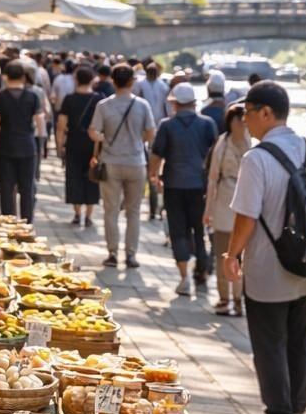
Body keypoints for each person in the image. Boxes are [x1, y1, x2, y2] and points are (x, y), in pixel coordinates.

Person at [222, 81, 306, 414]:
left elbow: (246, 216)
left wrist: (232, 254)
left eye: (247, 114)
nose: (244, 122)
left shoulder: (256, 158)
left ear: (266, 112)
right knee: (300, 340)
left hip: (269, 267)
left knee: (270, 341)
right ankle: (296, 413)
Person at [150, 83, 218, 295]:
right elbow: (215, 154)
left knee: (178, 231)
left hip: (174, 184)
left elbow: (156, 155)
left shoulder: (167, 125)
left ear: (175, 103)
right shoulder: (207, 124)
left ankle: (184, 278)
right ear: (193, 103)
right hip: (199, 185)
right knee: (200, 231)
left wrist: (153, 175)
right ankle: (202, 273)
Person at [89, 64, 155, 269]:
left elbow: (93, 132)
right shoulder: (142, 105)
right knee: (134, 211)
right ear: (132, 81)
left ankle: (112, 252)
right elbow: (151, 133)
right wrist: (137, 140)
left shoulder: (104, 105)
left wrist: (104, 138)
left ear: (113, 81)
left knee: (111, 210)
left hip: (111, 161)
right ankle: (131, 253)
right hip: (136, 161)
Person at [204, 103, 253, 315]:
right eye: (238, 121)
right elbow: (213, 177)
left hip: (246, 204)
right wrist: (208, 209)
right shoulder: (222, 144)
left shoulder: (252, 146)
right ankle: (224, 298)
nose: (241, 125)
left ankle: (239, 300)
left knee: (243, 257)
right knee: (222, 253)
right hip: (223, 202)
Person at [0, 61, 45, 221]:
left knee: (6, 187)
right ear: (23, 77)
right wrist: (40, 142)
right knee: (27, 188)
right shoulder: (32, 96)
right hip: (27, 146)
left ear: (5, 77)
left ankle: (8, 221)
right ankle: (26, 224)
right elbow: (40, 123)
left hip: (6, 145)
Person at [57, 65, 102, 226]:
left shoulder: (69, 99)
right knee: (92, 177)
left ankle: (77, 213)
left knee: (74, 177)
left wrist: (59, 145)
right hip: (93, 143)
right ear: (92, 80)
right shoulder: (99, 99)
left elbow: (61, 125)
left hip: (74, 142)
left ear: (76, 80)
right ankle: (89, 216)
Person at [136, 63, 170, 221]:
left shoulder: (162, 87)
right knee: (152, 169)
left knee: (153, 168)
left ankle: (156, 206)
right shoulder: (142, 85)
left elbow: (167, 107)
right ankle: (153, 206)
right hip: (145, 129)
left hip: (156, 128)